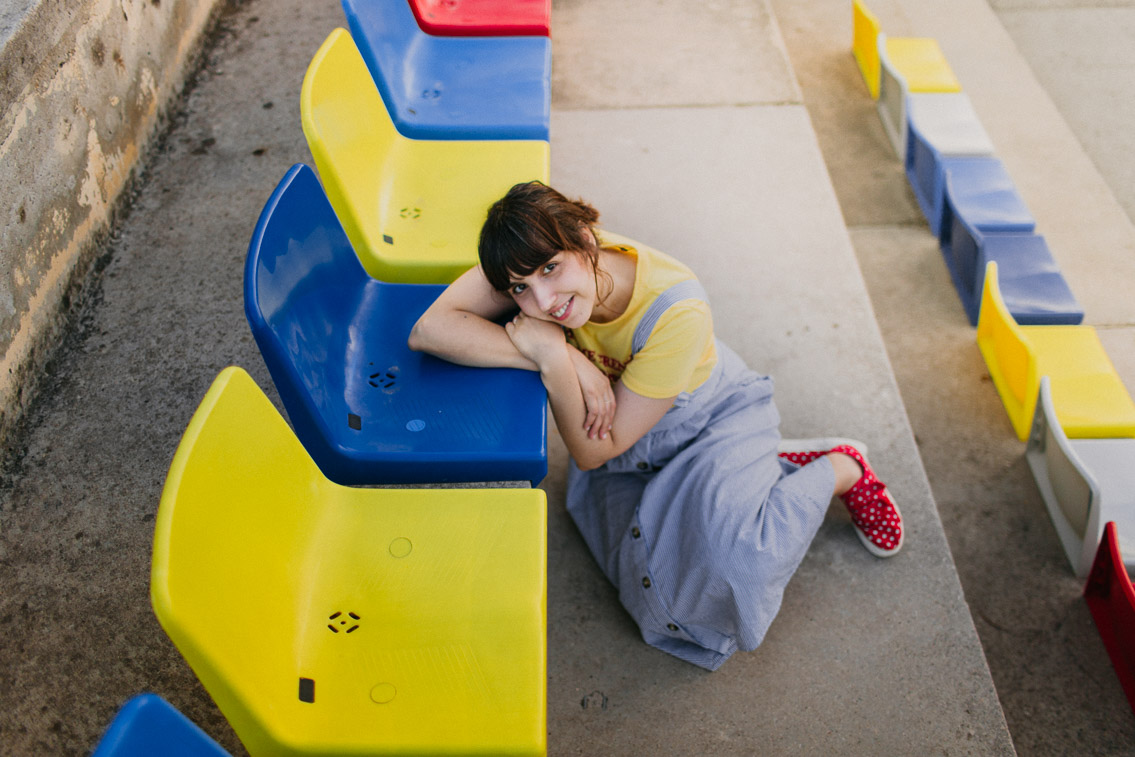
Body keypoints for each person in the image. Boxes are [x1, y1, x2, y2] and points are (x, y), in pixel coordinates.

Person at [408, 181, 903, 670]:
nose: (543, 302)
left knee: (733, 570)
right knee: (646, 570)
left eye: (550, 270)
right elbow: (431, 330)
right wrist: (566, 357)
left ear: (585, 240)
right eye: (520, 289)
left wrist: (555, 360)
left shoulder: (677, 309)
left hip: (709, 422)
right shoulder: (533, 253)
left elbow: (591, 452)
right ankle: (764, 470)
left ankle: (839, 468)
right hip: (632, 438)